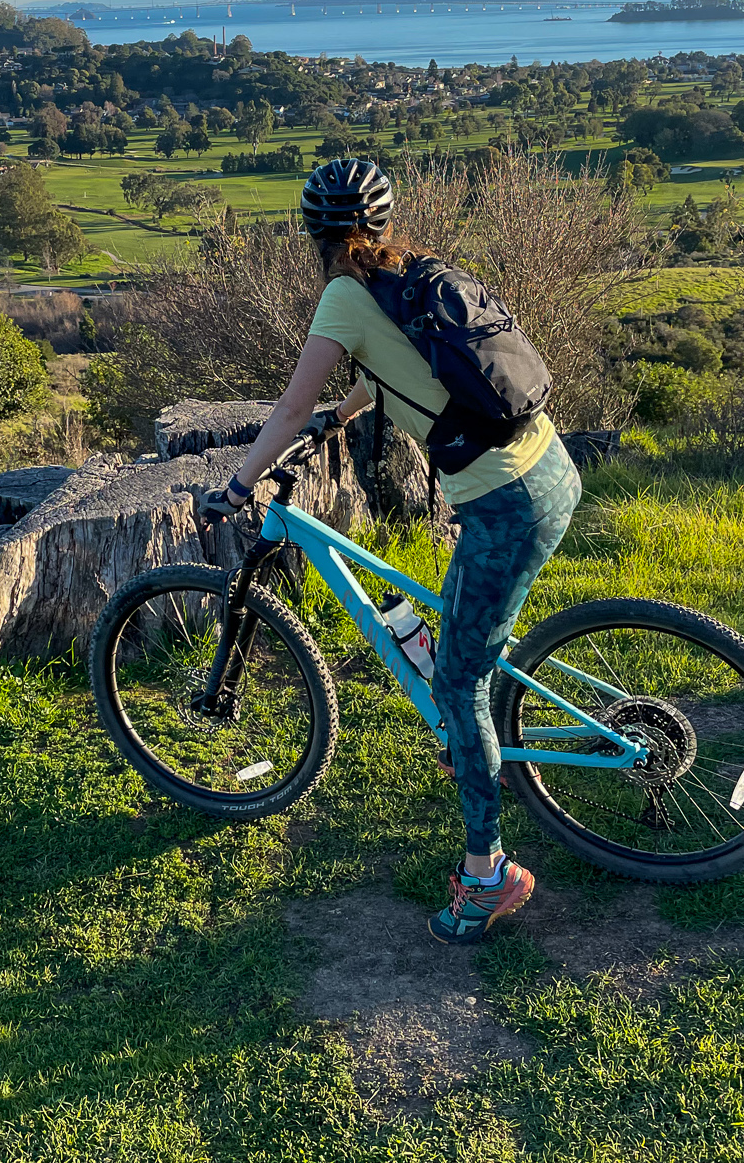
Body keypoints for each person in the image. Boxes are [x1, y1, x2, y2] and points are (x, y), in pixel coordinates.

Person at [201, 159, 582, 945]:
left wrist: (238, 486)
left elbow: (285, 408)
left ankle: (488, 877)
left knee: (460, 680)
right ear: (380, 222)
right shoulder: (410, 272)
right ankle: (469, 743)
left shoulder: (344, 295)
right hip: (549, 466)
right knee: (466, 643)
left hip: (504, 503)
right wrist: (346, 411)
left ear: (315, 235)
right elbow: (404, 368)